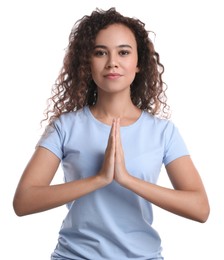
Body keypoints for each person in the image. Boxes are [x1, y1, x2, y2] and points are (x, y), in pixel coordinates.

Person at [13, 7, 210, 260]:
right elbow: (24, 201)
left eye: (124, 52)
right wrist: (99, 179)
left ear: (138, 64)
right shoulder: (65, 126)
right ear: (88, 62)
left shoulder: (163, 132)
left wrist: (126, 179)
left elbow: (200, 208)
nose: (112, 62)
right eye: (100, 52)